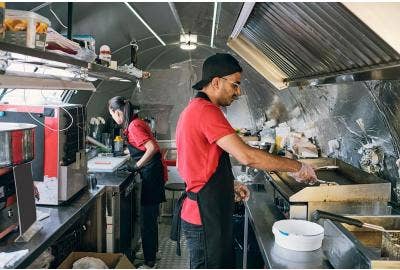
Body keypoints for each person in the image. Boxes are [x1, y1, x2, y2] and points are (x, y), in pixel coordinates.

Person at [172, 53, 317, 269]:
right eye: (235, 85)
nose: (238, 92)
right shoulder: (207, 111)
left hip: (205, 211)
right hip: (204, 218)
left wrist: (228, 185)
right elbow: (246, 156)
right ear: (216, 82)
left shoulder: (194, 110)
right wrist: (297, 167)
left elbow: (200, 164)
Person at [108, 96, 166, 269]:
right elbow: (142, 146)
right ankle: (151, 253)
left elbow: (151, 148)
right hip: (152, 172)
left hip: (151, 174)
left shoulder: (133, 126)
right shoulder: (135, 123)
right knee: (149, 217)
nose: (113, 118)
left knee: (147, 219)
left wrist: (136, 166)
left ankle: (149, 262)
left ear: (118, 112)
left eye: (112, 115)